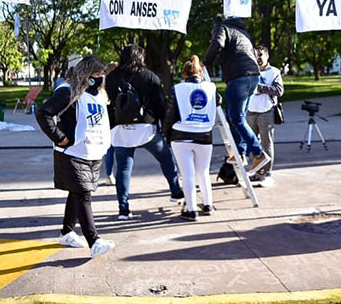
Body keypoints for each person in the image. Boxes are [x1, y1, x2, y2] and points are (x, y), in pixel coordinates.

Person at [36, 56, 116, 259]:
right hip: (72, 151)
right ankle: (94, 241)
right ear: (86, 74)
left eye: (101, 74)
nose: (99, 78)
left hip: (92, 150)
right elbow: (43, 112)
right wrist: (59, 137)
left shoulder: (98, 93)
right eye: (96, 74)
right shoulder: (68, 90)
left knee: (77, 192)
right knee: (83, 194)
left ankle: (66, 232)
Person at [105, 45, 184, 219]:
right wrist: (165, 128)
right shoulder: (150, 77)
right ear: (140, 58)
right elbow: (160, 104)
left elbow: (108, 104)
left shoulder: (111, 78)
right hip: (145, 128)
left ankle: (123, 209)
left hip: (120, 130)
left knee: (123, 169)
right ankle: (176, 191)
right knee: (165, 158)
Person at [203, 15, 270, 176]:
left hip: (238, 76)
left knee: (236, 118)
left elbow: (217, 43)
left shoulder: (222, 27)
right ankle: (240, 152)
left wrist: (205, 62)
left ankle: (259, 154)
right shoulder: (243, 32)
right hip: (253, 76)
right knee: (239, 117)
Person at [163, 55, 218, 221]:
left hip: (181, 135)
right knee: (203, 172)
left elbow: (169, 115)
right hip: (204, 134)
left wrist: (166, 135)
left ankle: (191, 209)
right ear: (200, 74)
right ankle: (208, 204)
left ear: (184, 74)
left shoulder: (178, 89)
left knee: (187, 174)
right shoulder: (211, 87)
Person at [246, 46, 284, 187]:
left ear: (267, 56)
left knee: (266, 143)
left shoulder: (274, 72)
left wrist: (260, 87)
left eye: (261, 55)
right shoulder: (249, 70)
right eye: (256, 55)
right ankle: (257, 171)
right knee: (253, 143)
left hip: (266, 112)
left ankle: (266, 174)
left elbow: (279, 90)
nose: (258, 58)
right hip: (250, 111)